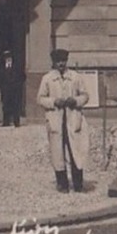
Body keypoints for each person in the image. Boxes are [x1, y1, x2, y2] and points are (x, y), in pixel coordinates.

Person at [37, 49, 90, 192]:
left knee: (76, 151)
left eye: (63, 61)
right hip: (56, 120)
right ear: (53, 62)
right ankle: (62, 183)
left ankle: (78, 183)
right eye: (58, 61)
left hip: (73, 119)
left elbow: (85, 96)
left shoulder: (75, 77)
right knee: (57, 152)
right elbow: (40, 98)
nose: (61, 64)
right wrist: (54, 102)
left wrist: (76, 100)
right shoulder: (47, 79)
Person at [0, 49, 25, 127]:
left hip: (15, 90)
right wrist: (2, 86)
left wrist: (18, 85)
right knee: (5, 105)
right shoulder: (2, 67)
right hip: (5, 89)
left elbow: (23, 76)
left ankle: (16, 122)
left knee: (16, 105)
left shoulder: (17, 66)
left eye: (9, 57)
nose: (7, 58)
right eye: (6, 57)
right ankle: (6, 122)